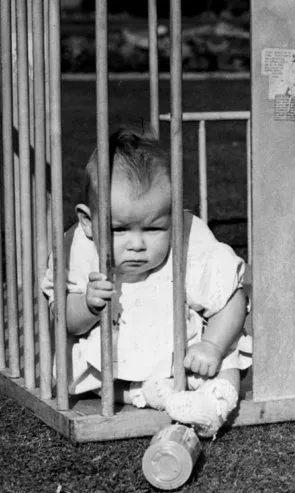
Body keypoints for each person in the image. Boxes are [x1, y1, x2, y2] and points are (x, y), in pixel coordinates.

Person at [41, 128, 249, 438]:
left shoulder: (188, 239)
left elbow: (231, 298)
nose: (137, 244)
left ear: (172, 218)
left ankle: (216, 403)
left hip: (185, 349)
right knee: (74, 365)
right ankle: (148, 392)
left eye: (153, 229)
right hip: (114, 355)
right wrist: (86, 304)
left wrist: (212, 345)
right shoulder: (78, 249)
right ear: (88, 222)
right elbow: (64, 321)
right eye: (120, 229)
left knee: (229, 350)